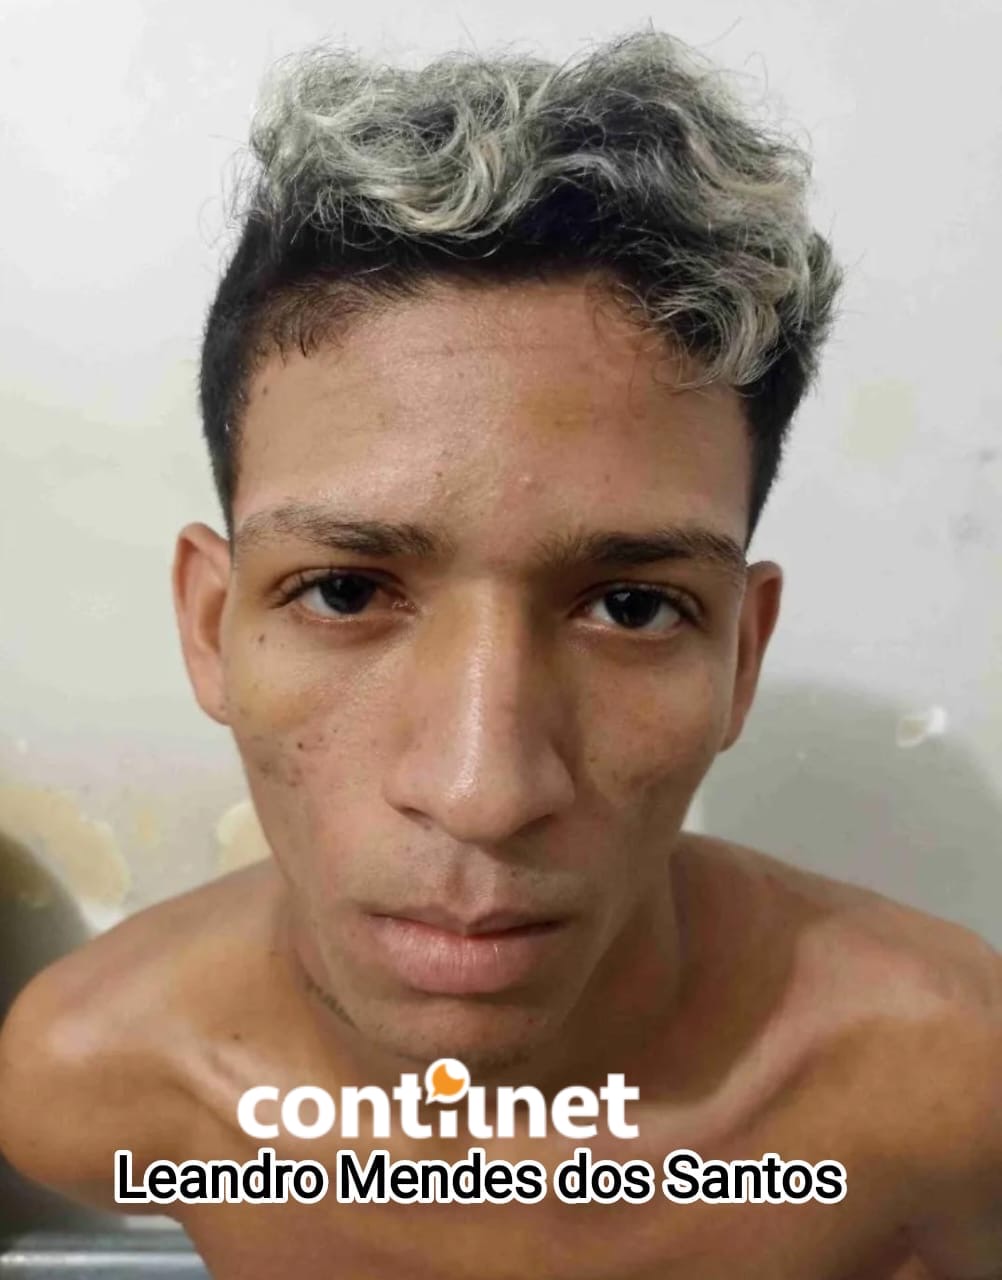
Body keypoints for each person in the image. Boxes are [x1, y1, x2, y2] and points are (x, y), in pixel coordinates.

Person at [1, 28, 999, 1280]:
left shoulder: (949, 1090)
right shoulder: (95, 1077)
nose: (482, 790)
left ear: (741, 657)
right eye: (345, 589)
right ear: (211, 627)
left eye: (632, 606)